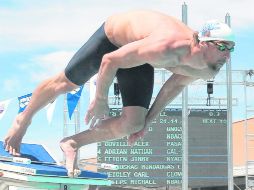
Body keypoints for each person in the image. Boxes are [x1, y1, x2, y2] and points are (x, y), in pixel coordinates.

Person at [3, 10, 235, 177]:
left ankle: (72, 143)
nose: (227, 55)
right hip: (113, 40)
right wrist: (100, 99)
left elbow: (174, 86)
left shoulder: (207, 67)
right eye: (222, 47)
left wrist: (148, 122)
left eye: (231, 48)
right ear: (203, 42)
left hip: (138, 55)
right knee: (66, 83)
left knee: (134, 123)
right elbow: (109, 60)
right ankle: (23, 119)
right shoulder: (166, 47)